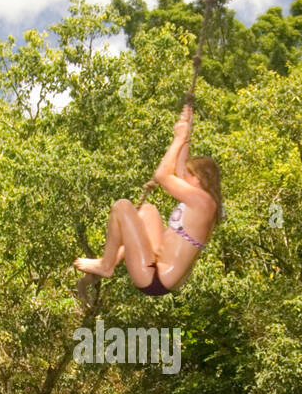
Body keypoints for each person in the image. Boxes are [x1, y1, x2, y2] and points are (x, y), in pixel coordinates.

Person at [73, 105, 221, 296]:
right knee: (146, 211)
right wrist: (187, 128)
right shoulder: (202, 199)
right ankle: (114, 259)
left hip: (155, 278)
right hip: (159, 264)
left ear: (198, 179)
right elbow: (180, 168)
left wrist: (179, 138)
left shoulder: (203, 202)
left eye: (188, 175)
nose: (182, 177)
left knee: (122, 207)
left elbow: (162, 175)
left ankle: (106, 265)